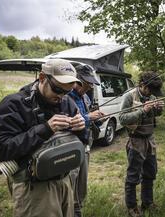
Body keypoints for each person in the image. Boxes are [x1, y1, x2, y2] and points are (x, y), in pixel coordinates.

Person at [0, 59, 86, 217]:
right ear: (42, 78)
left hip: (65, 180)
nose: (61, 96)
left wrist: (81, 129)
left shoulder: (67, 102)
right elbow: (1, 149)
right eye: (57, 89)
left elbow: (83, 141)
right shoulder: (14, 104)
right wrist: (45, 129)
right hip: (34, 188)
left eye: (67, 92)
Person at [119, 71, 165, 217]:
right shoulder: (129, 96)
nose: (152, 93)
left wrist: (159, 109)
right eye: (150, 89)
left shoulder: (152, 96)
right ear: (142, 85)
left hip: (150, 140)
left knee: (150, 173)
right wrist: (142, 110)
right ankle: (132, 207)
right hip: (136, 140)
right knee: (133, 176)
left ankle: (147, 202)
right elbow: (122, 118)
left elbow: (157, 115)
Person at [68, 64, 104, 217]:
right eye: (87, 83)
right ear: (77, 80)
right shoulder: (66, 97)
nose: (89, 87)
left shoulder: (85, 98)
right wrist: (89, 117)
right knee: (70, 184)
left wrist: (98, 119)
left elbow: (88, 118)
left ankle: (78, 211)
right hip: (70, 148)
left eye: (91, 83)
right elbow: (67, 122)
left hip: (84, 146)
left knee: (81, 187)